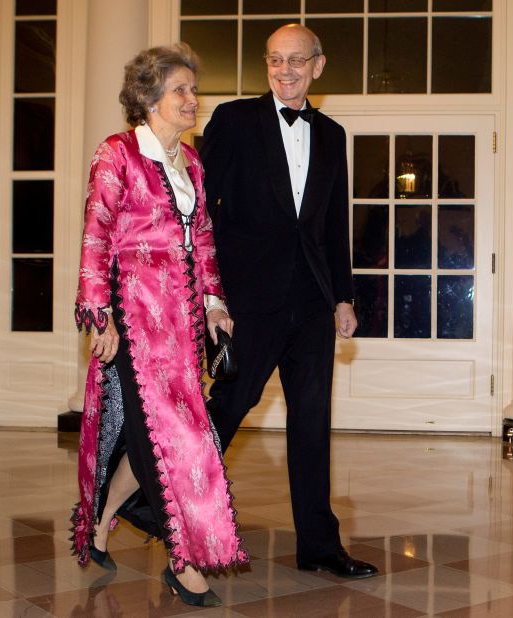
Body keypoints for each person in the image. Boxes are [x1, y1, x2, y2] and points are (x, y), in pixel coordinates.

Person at [71, 43, 247, 608]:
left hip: (183, 321)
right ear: (148, 99)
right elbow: (96, 238)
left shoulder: (190, 162)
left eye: (194, 90)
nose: (193, 100)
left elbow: (205, 240)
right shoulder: (117, 154)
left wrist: (215, 300)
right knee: (175, 438)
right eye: (181, 90)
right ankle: (182, 558)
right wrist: (99, 315)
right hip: (134, 314)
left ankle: (101, 524)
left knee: (157, 433)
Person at [201, 24, 378, 579]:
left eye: (296, 61)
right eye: (275, 60)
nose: (284, 70)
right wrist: (211, 291)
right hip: (249, 298)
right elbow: (204, 211)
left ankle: (320, 547)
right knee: (230, 405)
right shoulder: (233, 121)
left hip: (311, 301)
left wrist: (343, 297)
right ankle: (162, 501)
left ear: (318, 66)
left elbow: (333, 222)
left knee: (312, 423)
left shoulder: (333, 135)